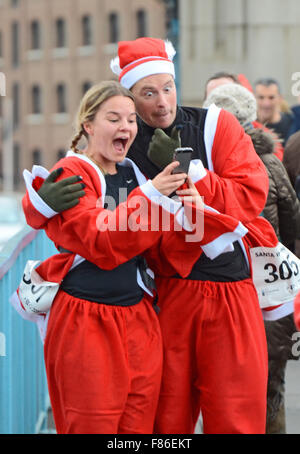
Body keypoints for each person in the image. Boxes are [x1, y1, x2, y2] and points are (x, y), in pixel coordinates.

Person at [22, 38, 276, 434]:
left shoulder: (213, 125)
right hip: (163, 294)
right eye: (147, 93)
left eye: (168, 88)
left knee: (236, 416)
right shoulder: (115, 151)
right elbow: (83, 209)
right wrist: (38, 205)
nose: (161, 102)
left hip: (228, 289)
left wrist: (190, 173)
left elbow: (251, 196)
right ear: (127, 100)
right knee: (163, 422)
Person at [204, 82, 300, 434]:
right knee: (267, 390)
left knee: (218, 391)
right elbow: (292, 232)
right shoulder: (271, 165)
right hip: (266, 296)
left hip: (223, 298)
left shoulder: (196, 168)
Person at [254, 78, 294, 147]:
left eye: (271, 97)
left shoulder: (294, 124)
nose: (266, 103)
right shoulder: (249, 127)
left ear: (280, 98)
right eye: (261, 97)